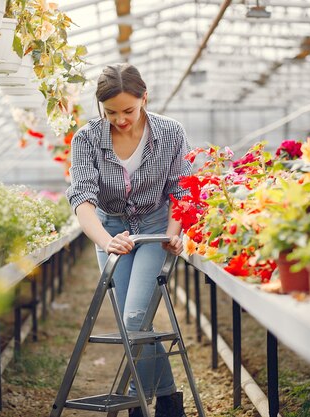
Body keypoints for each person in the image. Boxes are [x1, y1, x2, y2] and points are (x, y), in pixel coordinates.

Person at [65, 63, 192, 417]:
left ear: (144, 98)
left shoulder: (171, 133)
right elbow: (83, 201)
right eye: (111, 112)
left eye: (129, 110)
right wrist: (106, 241)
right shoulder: (86, 139)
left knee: (135, 318)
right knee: (131, 320)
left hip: (154, 229)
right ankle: (168, 399)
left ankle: (139, 400)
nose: (120, 119)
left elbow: (181, 190)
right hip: (111, 229)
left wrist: (173, 233)